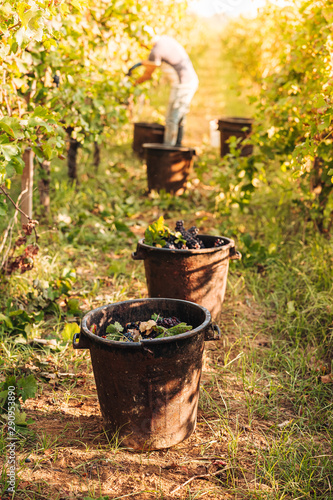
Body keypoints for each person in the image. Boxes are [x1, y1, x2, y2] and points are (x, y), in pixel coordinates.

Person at [132, 35, 199, 146]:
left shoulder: (155, 51)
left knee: (171, 118)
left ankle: (168, 149)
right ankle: (177, 145)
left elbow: (148, 74)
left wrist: (133, 83)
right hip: (190, 81)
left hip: (182, 84)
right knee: (179, 116)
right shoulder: (165, 40)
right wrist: (144, 62)